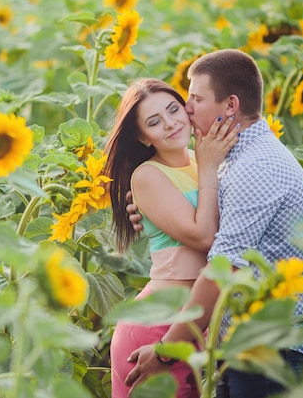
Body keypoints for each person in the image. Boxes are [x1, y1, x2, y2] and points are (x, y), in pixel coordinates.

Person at [123, 49, 303, 398]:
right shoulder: (233, 158)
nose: (187, 109)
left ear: (230, 106)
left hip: (270, 351)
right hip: (236, 345)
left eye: (195, 98)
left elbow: (222, 265)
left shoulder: (254, 167)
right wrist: (146, 210)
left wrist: (166, 352)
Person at [102, 77, 238, 398]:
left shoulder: (199, 159)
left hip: (199, 325)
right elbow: (204, 237)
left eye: (173, 109)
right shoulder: (148, 175)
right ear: (142, 136)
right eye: (154, 121)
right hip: (157, 328)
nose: (170, 123)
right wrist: (208, 168)